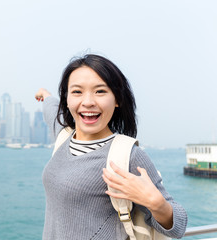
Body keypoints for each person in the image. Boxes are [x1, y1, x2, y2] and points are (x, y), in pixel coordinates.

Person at [35, 54, 187, 240]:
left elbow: (178, 226)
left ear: (117, 99)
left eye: (100, 91)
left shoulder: (127, 155)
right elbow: (52, 110)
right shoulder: (64, 137)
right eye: (77, 92)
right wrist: (46, 95)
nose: (88, 101)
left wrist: (157, 204)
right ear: (66, 98)